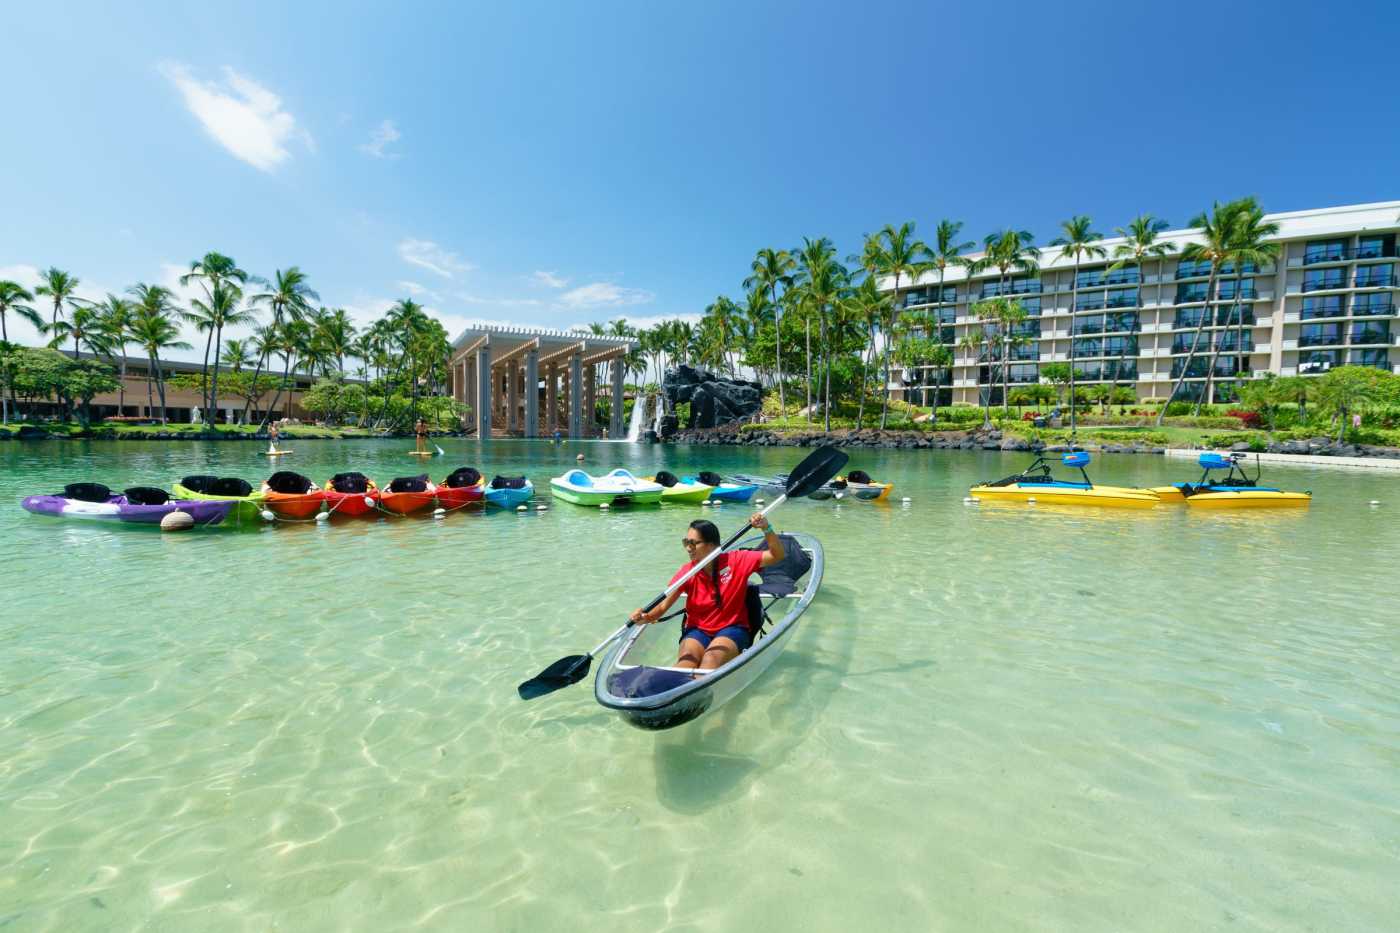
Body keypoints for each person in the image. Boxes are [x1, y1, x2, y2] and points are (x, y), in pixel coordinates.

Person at [630, 514, 784, 671]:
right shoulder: (687, 572)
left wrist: (766, 528)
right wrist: (644, 617)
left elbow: (776, 555)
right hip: (698, 630)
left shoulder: (737, 560)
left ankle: (702, 693)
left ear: (711, 546)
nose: (688, 548)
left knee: (710, 659)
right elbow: (661, 608)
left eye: (693, 543)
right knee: (685, 664)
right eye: (686, 542)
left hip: (732, 628)